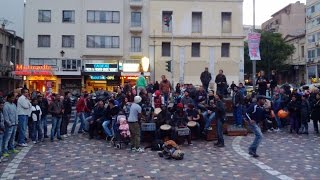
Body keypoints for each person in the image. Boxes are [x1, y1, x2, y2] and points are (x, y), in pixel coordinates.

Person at [2, 93, 19, 157]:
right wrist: (9, 123)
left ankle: (11, 148)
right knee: (7, 138)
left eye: (14, 98)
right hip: (9, 125)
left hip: (14, 124)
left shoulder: (14, 105)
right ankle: (4, 150)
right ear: (8, 98)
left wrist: (16, 122)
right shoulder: (6, 106)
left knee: (13, 137)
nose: (13, 99)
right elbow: (5, 116)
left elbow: (16, 114)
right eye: (12, 98)